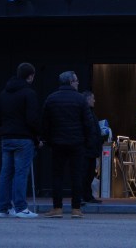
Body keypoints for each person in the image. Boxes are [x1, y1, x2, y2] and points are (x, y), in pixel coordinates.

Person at [0, 62, 42, 219]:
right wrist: (37, 137)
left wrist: (3, 130)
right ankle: (21, 207)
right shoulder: (29, 93)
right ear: (30, 76)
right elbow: (32, 119)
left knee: (5, 173)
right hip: (23, 138)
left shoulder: (4, 93)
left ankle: (3, 208)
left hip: (6, 138)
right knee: (21, 172)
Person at [41, 70, 90, 218]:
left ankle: (57, 208)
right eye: (76, 81)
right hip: (77, 143)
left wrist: (47, 140)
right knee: (77, 175)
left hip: (58, 143)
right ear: (70, 82)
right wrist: (86, 140)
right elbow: (87, 122)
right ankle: (76, 209)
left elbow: (45, 123)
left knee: (57, 176)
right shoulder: (81, 99)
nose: (78, 83)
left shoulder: (51, 98)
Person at [81, 90, 103, 204]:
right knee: (85, 173)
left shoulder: (90, 112)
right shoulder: (85, 112)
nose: (94, 100)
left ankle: (87, 195)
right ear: (87, 99)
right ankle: (83, 196)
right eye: (92, 98)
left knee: (89, 174)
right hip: (87, 149)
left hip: (91, 149)